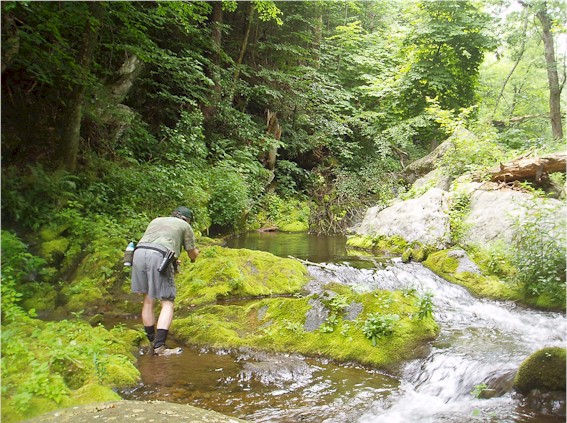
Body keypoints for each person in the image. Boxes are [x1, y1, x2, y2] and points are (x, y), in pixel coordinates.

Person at [131, 206, 199, 356]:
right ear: (187, 219)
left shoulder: (156, 220)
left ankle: (151, 341)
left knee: (148, 299)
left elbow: (155, 243)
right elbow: (192, 254)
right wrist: (196, 254)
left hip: (138, 253)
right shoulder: (185, 226)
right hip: (159, 256)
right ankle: (159, 347)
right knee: (167, 302)